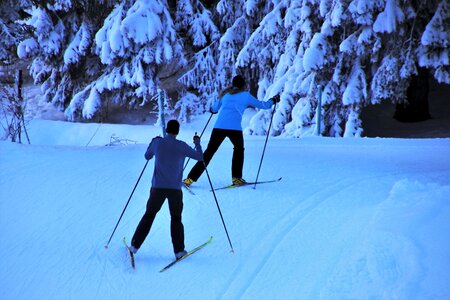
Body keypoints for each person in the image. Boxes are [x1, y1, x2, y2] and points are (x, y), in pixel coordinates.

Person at [183, 74, 280, 187]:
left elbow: (213, 109)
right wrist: (273, 100)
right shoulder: (245, 95)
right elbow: (264, 105)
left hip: (219, 127)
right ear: (243, 85)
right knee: (239, 150)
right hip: (234, 128)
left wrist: (215, 108)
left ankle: (189, 179)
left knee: (209, 153)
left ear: (233, 84)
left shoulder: (225, 94)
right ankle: (236, 178)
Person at [130, 120, 203, 259]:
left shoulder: (158, 143)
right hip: (175, 190)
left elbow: (147, 156)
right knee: (176, 218)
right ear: (177, 131)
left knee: (149, 215)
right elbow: (200, 157)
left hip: (157, 188)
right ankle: (179, 251)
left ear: (167, 130)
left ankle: (134, 246)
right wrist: (197, 143)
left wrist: (153, 142)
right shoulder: (181, 146)